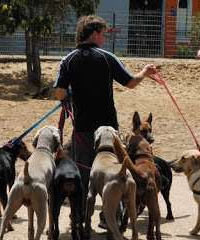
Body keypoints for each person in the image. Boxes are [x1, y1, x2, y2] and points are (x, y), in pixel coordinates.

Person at [53, 15, 157, 223]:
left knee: (84, 173)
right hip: (108, 129)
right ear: (94, 33)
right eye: (103, 34)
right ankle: (110, 217)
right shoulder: (106, 57)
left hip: (82, 128)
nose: (104, 39)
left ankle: (80, 217)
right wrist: (145, 71)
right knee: (113, 172)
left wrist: (70, 94)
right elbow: (130, 83)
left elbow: (59, 93)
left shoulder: (68, 59)